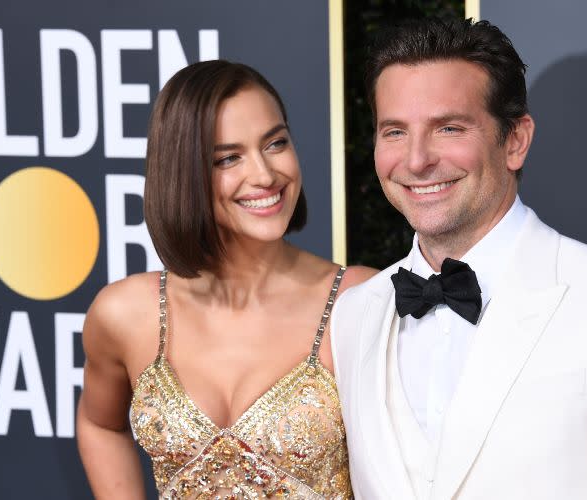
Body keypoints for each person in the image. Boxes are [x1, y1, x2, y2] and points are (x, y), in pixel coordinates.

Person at [331, 17, 587, 500]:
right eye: (395, 132)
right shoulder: (354, 314)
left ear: (514, 140)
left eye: (448, 128)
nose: (417, 160)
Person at [76, 60, 376, 499]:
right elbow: (99, 423)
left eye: (275, 143)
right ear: (183, 172)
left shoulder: (360, 300)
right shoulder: (124, 313)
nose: (265, 174)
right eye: (228, 158)